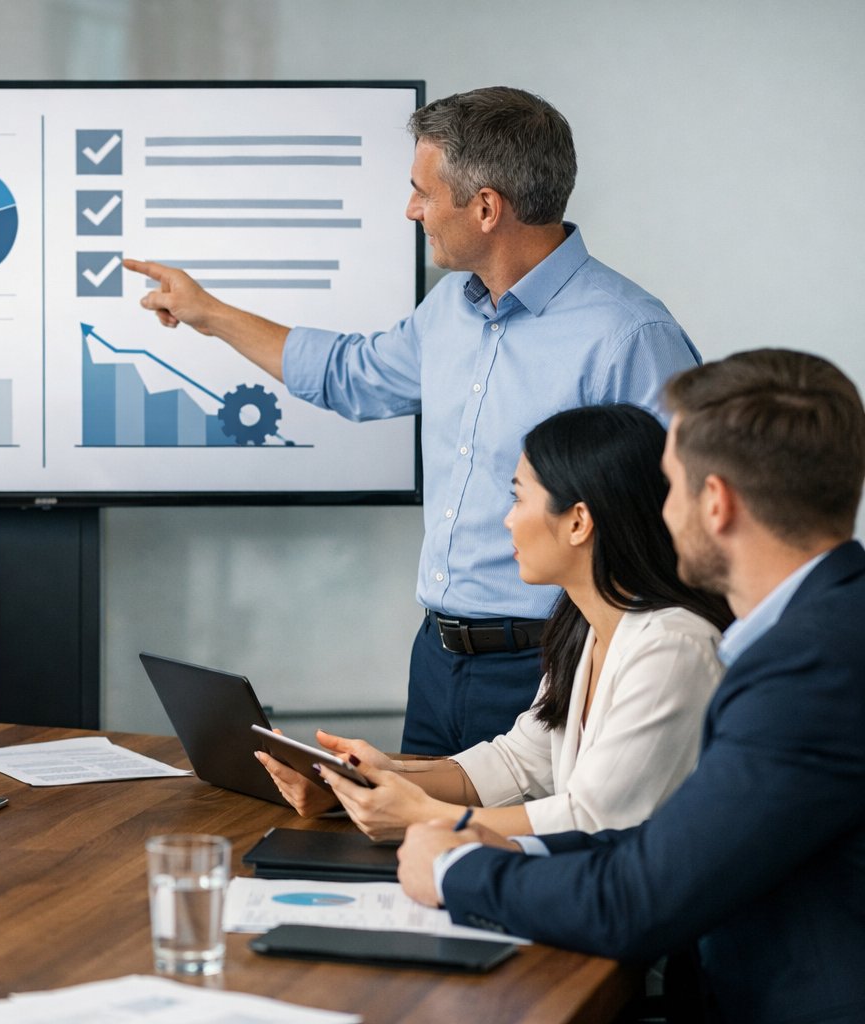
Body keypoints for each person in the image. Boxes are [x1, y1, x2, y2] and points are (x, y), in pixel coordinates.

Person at [125, 87, 701, 754]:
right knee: (411, 846)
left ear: (486, 207)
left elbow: (678, 522)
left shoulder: (630, 334)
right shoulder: (449, 312)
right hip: (437, 658)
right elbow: (350, 375)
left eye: (423, 192)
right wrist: (210, 314)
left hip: (558, 663)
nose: (412, 210)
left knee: (529, 852)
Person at [390, 349, 865, 1023]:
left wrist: (453, 872)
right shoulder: (823, 631)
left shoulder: (812, 667)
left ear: (715, 503)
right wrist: (500, 844)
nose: (658, 511)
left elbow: (636, 902)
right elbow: (672, 841)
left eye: (669, 488)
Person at [258, 404, 731, 839]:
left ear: (578, 521)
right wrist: (371, 778)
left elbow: (592, 820)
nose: (507, 520)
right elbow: (517, 762)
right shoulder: (584, 627)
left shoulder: (673, 647)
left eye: (519, 499)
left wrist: (420, 817)